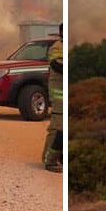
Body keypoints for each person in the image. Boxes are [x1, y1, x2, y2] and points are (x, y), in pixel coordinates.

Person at [42, 40, 63, 172]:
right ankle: (50, 160)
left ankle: (59, 158)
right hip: (59, 97)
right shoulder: (57, 48)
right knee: (59, 130)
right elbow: (57, 66)